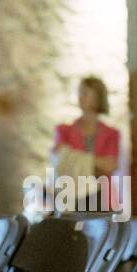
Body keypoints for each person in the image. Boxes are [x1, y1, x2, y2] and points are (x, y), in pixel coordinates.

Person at [51, 76, 122, 214]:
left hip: (101, 198)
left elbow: (110, 166)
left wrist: (76, 159)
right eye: (79, 92)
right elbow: (61, 161)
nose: (80, 97)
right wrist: (95, 164)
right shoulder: (64, 131)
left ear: (97, 97)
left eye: (85, 93)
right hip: (71, 198)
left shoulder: (111, 134)